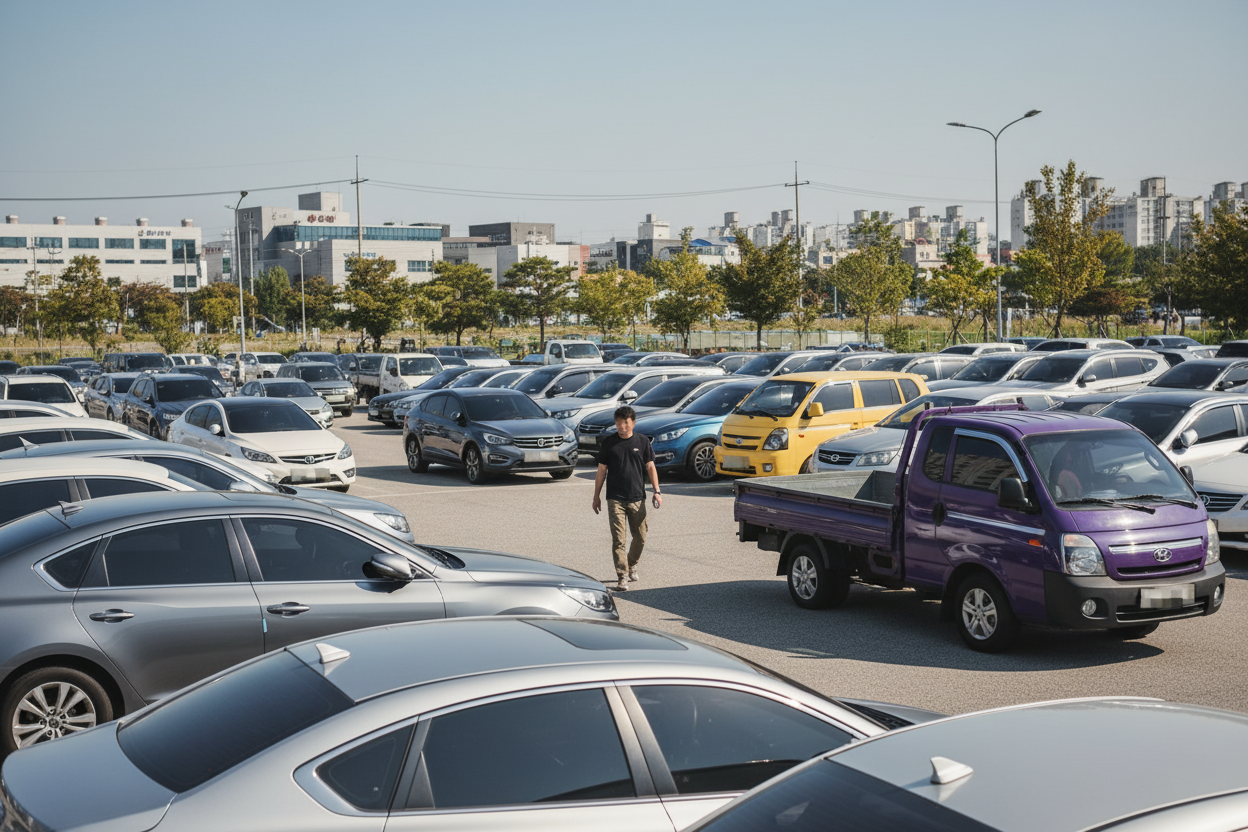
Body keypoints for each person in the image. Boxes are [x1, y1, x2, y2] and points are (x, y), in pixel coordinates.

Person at [592, 405, 663, 592]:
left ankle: (631, 564)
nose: (621, 426)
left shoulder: (643, 441)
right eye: (618, 423)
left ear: (632, 422)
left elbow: (650, 467)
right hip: (615, 497)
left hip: (637, 497)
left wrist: (657, 491)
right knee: (619, 540)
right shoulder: (609, 443)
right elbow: (601, 471)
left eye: (625, 422)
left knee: (640, 537)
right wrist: (596, 496)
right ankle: (622, 576)